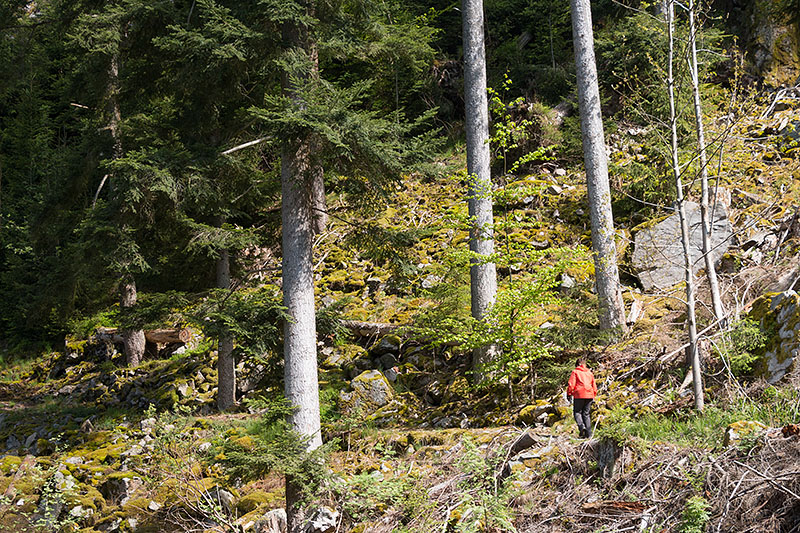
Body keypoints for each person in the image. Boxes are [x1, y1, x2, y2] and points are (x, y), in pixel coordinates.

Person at [566, 358, 597, 438]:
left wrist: (569, 394)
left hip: (579, 394)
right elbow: (594, 385)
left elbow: (571, 384)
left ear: (577, 364)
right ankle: (589, 435)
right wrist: (593, 394)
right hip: (589, 394)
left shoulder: (575, 372)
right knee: (586, 414)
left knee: (577, 412)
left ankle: (581, 427)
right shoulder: (590, 373)